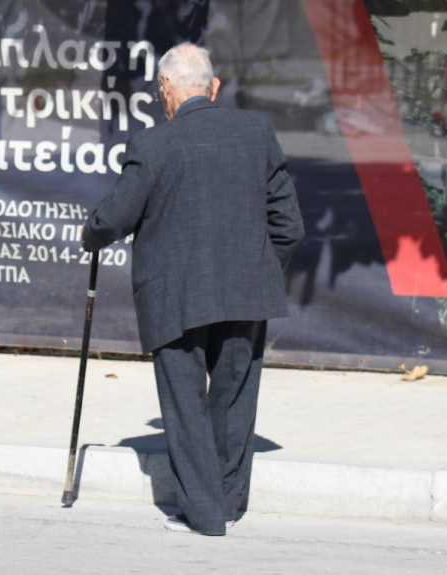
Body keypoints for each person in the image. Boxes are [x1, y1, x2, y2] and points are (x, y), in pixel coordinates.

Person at [81, 43, 304, 536]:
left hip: (174, 295)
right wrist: (259, 267)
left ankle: (203, 515)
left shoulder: (153, 144)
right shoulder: (257, 132)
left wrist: (89, 233)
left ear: (165, 89)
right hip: (246, 289)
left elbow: (114, 218)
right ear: (213, 87)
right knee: (234, 399)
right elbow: (289, 225)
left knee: (185, 405)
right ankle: (227, 506)